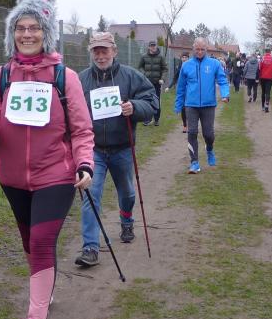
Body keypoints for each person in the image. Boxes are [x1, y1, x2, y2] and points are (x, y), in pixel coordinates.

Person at [0, 0, 94, 319]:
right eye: (20, 28)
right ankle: (45, 284)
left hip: (56, 175)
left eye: (34, 27)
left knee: (40, 241)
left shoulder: (64, 78)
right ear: (13, 34)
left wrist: (85, 164)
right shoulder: (0, 76)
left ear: (46, 32)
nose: (27, 34)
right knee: (29, 242)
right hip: (13, 179)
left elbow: (82, 129)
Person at [73, 32, 158, 267]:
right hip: (93, 150)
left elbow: (152, 102)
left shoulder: (131, 76)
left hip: (122, 148)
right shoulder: (80, 80)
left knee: (127, 193)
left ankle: (126, 219)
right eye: (96, 51)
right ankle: (90, 248)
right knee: (91, 195)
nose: (100, 56)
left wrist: (134, 107)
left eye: (104, 51)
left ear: (114, 51)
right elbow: (69, 108)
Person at [174, 37, 230, 173]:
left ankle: (209, 149)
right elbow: (181, 87)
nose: (199, 52)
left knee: (208, 134)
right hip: (191, 105)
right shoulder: (186, 65)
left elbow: (222, 80)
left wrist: (225, 94)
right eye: (197, 49)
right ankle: (194, 162)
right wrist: (178, 104)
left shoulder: (214, 64)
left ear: (206, 49)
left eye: (202, 49)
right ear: (193, 49)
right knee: (192, 132)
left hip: (208, 105)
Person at [137, 41, 168, 126]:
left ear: (156, 46)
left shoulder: (161, 57)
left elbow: (165, 69)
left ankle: (156, 119)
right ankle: (147, 119)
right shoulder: (144, 56)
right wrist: (144, 74)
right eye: (151, 46)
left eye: (154, 46)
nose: (153, 47)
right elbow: (139, 67)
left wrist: (162, 79)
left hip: (157, 83)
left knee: (156, 101)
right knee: (147, 100)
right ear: (149, 47)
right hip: (146, 83)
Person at [166, 52, 190, 132]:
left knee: (190, 108)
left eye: (186, 57)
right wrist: (169, 87)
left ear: (188, 58)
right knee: (183, 108)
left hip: (191, 91)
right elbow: (174, 78)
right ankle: (185, 125)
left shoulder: (192, 67)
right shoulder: (179, 68)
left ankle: (190, 124)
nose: (184, 59)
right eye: (183, 57)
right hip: (182, 91)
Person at [258, 48, 272, 113]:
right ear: (270, 52)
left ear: (265, 52)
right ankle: (267, 106)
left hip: (262, 78)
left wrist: (259, 77)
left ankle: (263, 106)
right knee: (268, 92)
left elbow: (259, 68)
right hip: (269, 78)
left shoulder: (262, 59)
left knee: (263, 92)